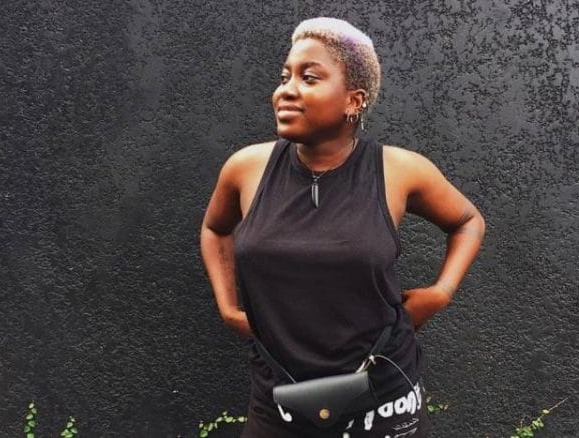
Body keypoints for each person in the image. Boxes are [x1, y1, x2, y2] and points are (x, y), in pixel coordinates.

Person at [200, 17, 485, 438]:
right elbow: (214, 229)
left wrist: (441, 292)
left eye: (309, 77)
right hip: (278, 397)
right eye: (285, 76)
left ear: (354, 100)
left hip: (383, 398)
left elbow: (467, 221)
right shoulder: (246, 169)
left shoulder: (400, 171)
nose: (286, 90)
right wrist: (227, 307)